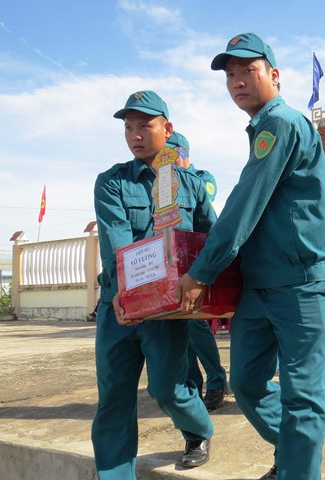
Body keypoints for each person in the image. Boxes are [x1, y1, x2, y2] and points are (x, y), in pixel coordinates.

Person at [173, 33, 325, 480]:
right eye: (229, 75)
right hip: (261, 282)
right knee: (246, 383)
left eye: (248, 70)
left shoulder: (280, 123)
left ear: (274, 75)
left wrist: (200, 271)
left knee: (303, 397)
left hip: (301, 280)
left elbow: (244, 204)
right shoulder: (263, 129)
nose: (237, 81)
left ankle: (297, 470)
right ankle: (292, 459)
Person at [92, 90, 216, 479]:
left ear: (167, 128)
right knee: (114, 397)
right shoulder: (112, 182)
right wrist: (126, 296)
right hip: (121, 307)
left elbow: (208, 239)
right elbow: (117, 240)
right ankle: (114, 474)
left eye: (144, 125)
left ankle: (199, 431)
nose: (135, 134)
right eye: (128, 127)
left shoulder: (191, 185)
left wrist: (206, 286)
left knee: (167, 389)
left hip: (167, 311)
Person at [167, 131, 227, 411]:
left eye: (168, 152)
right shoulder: (159, 180)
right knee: (179, 329)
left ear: (181, 152)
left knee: (196, 326)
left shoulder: (201, 178)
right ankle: (192, 383)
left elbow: (206, 218)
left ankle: (216, 381)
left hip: (194, 263)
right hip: (169, 264)